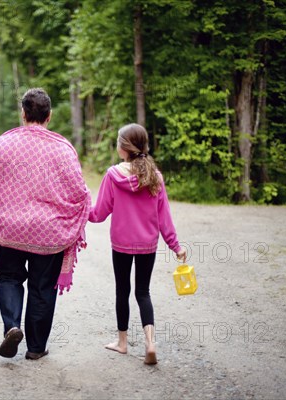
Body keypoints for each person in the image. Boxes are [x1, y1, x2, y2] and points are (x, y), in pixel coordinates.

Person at [0, 88, 91, 360]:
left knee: (8, 277)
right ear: (49, 116)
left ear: (23, 114)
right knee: (42, 288)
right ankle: (37, 348)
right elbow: (79, 192)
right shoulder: (63, 149)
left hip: (9, 228)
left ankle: (12, 326)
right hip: (50, 233)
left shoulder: (5, 143)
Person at [88, 123, 187, 365]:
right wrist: (176, 246)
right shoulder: (155, 176)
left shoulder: (113, 176)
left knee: (123, 291)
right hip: (147, 245)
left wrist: (79, 209)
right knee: (143, 292)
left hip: (121, 244)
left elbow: (99, 214)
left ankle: (122, 343)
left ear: (123, 147)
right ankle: (150, 344)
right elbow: (164, 218)